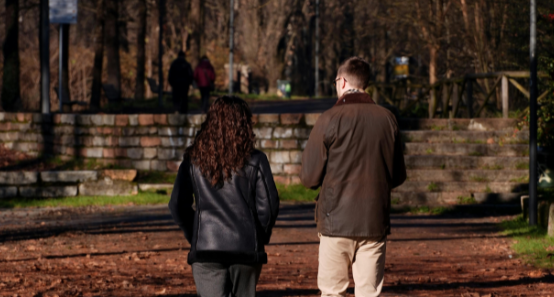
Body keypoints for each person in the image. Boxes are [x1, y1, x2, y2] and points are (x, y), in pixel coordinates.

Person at [301, 56, 407, 297]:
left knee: (332, 292)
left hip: (334, 221)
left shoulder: (328, 118)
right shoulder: (387, 119)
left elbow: (308, 177)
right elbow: (398, 175)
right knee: (369, 293)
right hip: (374, 220)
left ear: (343, 81)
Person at [169, 96, 281, 297]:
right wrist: (258, 235)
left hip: (206, 248)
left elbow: (177, 205)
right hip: (246, 249)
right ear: (245, 125)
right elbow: (269, 205)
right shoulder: (256, 160)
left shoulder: (192, 160)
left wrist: (195, 232)